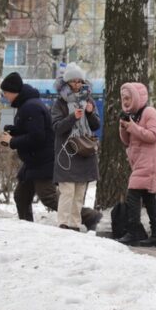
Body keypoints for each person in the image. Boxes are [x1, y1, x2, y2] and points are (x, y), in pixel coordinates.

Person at [50, 64, 103, 232]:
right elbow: (57, 127)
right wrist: (73, 117)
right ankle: (63, 223)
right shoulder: (59, 102)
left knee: (80, 191)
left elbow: (95, 125)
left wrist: (89, 112)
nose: (77, 84)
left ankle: (74, 223)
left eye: (80, 81)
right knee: (67, 191)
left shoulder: (88, 100)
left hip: (85, 150)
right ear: (67, 82)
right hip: (67, 152)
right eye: (74, 81)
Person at [0, 72, 59, 222]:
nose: (4, 95)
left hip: (41, 161)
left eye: (6, 92)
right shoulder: (27, 104)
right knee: (21, 196)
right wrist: (15, 130)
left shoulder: (30, 107)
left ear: (14, 91)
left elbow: (37, 137)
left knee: (50, 199)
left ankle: (88, 217)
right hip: (33, 161)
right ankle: (27, 226)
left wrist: (12, 141)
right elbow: (31, 130)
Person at [116, 82, 156, 247]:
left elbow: (153, 136)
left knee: (133, 194)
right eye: (123, 98)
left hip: (149, 163)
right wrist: (124, 127)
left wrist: (133, 127)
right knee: (149, 200)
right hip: (139, 163)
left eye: (128, 98)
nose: (126, 101)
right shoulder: (134, 114)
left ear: (136, 97)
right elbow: (126, 141)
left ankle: (134, 231)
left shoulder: (149, 112)